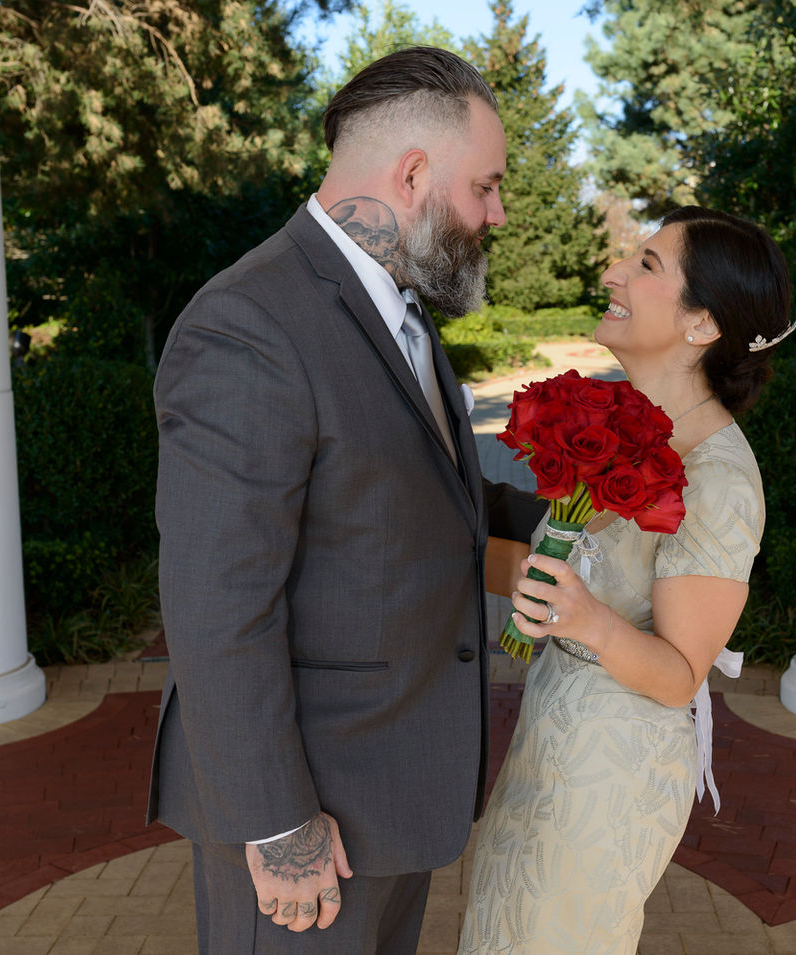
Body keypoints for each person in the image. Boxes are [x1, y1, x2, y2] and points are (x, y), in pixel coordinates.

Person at [147, 47, 542, 954]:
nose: (497, 213)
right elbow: (217, 603)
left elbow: (425, 495)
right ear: (412, 175)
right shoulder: (249, 323)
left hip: (396, 790)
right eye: (485, 186)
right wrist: (279, 825)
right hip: (307, 813)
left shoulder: (396, 303)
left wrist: (581, 520)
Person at [458, 206, 795, 953]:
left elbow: (679, 675)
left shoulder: (720, 476)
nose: (614, 273)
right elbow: (564, 572)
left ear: (703, 324)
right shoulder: (628, 425)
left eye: (646, 265)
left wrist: (587, 621)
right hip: (552, 727)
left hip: (610, 767)